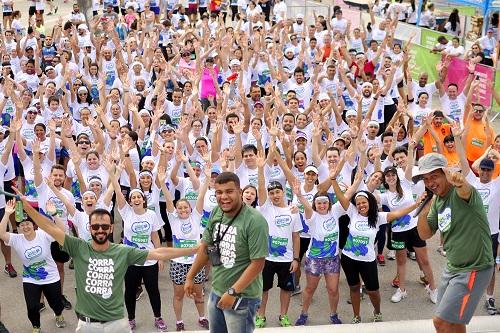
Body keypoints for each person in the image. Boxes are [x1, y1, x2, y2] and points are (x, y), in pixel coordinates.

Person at [13, 187, 199, 333]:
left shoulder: (122, 251)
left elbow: (158, 253)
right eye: (95, 226)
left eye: (104, 226)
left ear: (111, 229)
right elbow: (49, 227)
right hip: (86, 325)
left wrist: (192, 249)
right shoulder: (78, 247)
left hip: (117, 323)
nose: (99, 230)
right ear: (90, 227)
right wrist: (28, 207)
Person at [413, 153, 494, 333]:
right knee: (455, 322)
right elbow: (425, 234)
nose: (429, 182)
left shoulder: (462, 192)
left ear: (446, 173)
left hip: (474, 268)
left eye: (434, 176)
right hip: (453, 268)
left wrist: (459, 180)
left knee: (440, 322)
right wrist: (424, 211)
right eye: (425, 179)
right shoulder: (437, 201)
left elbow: (464, 190)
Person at [184, 172, 269, 333]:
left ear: (240, 191)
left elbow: (258, 264)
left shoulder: (255, 221)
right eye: (219, 192)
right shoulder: (217, 212)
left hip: (242, 297)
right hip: (217, 291)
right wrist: (190, 276)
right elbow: (205, 247)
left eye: (229, 191)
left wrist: (232, 292)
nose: (224, 197)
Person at [0, 200, 66, 333]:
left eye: (28, 224)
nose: (25, 227)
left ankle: (58, 314)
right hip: (31, 278)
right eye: (22, 225)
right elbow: (1, 234)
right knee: (32, 307)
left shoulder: (43, 234)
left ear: (33, 225)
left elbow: (61, 231)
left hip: (51, 276)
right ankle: (36, 326)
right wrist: (6, 214)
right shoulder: (16, 239)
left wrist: (54, 214)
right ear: (19, 227)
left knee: (56, 303)